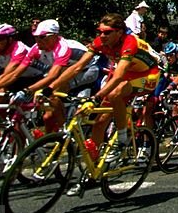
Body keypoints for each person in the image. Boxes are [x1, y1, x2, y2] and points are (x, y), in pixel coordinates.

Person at [51, 12, 161, 164]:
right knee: (100, 121)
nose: (102, 36)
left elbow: (118, 77)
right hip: (127, 74)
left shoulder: (130, 42)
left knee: (115, 93)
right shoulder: (99, 42)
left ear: (119, 32)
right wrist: (50, 88)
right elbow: (77, 67)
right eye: (99, 32)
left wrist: (96, 98)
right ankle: (93, 166)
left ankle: (121, 140)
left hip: (148, 74)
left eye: (107, 32)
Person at [7, 19, 97, 131]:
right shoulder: (36, 48)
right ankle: (50, 139)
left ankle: (65, 132)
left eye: (42, 37)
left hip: (87, 70)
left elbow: (53, 76)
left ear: (54, 36)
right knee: (47, 117)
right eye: (36, 37)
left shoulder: (63, 47)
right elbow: (16, 73)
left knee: (53, 94)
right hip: (66, 71)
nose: (38, 40)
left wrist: (27, 90)